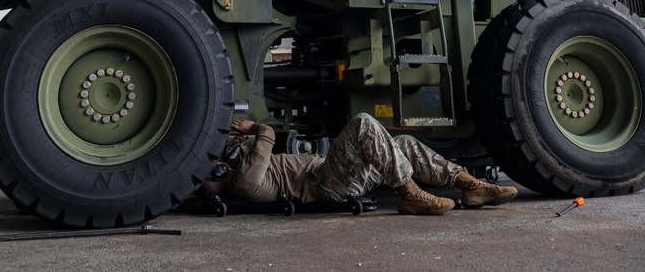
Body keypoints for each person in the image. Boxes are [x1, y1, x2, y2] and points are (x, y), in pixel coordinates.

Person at [201, 114, 517, 215]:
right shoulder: (243, 180)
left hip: (336, 177)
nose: (221, 166)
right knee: (362, 123)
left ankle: (470, 186)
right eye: (215, 171)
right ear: (218, 182)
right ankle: (408, 192)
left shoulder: (244, 175)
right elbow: (268, 133)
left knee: (403, 144)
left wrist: (239, 149)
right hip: (327, 182)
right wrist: (250, 130)